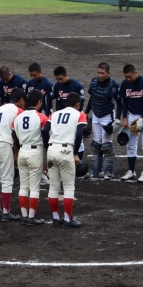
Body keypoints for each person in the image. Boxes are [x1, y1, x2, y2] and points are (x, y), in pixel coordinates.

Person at [44, 92, 87, 228]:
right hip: (66, 151)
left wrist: (48, 148)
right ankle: (68, 220)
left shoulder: (54, 114)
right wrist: (75, 153)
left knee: (53, 187)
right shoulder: (79, 114)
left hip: (51, 150)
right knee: (68, 187)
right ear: (77, 105)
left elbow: (45, 131)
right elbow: (79, 134)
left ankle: (56, 218)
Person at [0, 88, 26, 222]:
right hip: (3, 145)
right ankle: (6, 212)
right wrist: (16, 153)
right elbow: (17, 134)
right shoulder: (18, 111)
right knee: (7, 179)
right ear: (21, 100)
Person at [13, 90, 49, 226]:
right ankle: (31, 217)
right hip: (35, 152)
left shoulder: (18, 117)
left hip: (22, 151)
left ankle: (24, 216)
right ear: (39, 102)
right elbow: (46, 133)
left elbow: (15, 136)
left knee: (23, 186)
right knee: (34, 187)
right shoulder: (41, 117)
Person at [85, 63, 120, 179]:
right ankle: (95, 170)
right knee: (96, 144)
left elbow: (119, 103)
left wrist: (117, 119)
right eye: (98, 73)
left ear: (108, 73)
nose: (99, 75)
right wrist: (86, 112)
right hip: (96, 115)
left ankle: (108, 171)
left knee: (107, 145)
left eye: (102, 73)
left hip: (107, 116)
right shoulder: (94, 82)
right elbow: (92, 98)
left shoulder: (114, 85)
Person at [118, 65, 143, 182]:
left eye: (130, 76)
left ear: (135, 72)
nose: (128, 79)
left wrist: (142, 118)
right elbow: (124, 102)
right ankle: (131, 171)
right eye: (126, 77)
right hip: (131, 115)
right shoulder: (125, 84)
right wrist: (124, 118)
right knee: (131, 144)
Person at [26, 62, 53, 187]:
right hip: (33, 116)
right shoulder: (29, 84)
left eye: (35, 75)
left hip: (43, 116)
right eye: (31, 75)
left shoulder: (47, 84)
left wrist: (45, 117)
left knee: (46, 143)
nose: (33, 77)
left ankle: (47, 171)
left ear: (40, 72)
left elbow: (49, 102)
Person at [52, 66, 86, 159]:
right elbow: (58, 101)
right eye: (57, 79)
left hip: (75, 115)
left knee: (77, 138)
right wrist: (58, 114)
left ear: (66, 75)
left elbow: (81, 103)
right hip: (63, 116)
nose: (59, 81)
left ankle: (78, 160)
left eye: (61, 78)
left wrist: (77, 115)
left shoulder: (77, 85)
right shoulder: (57, 86)